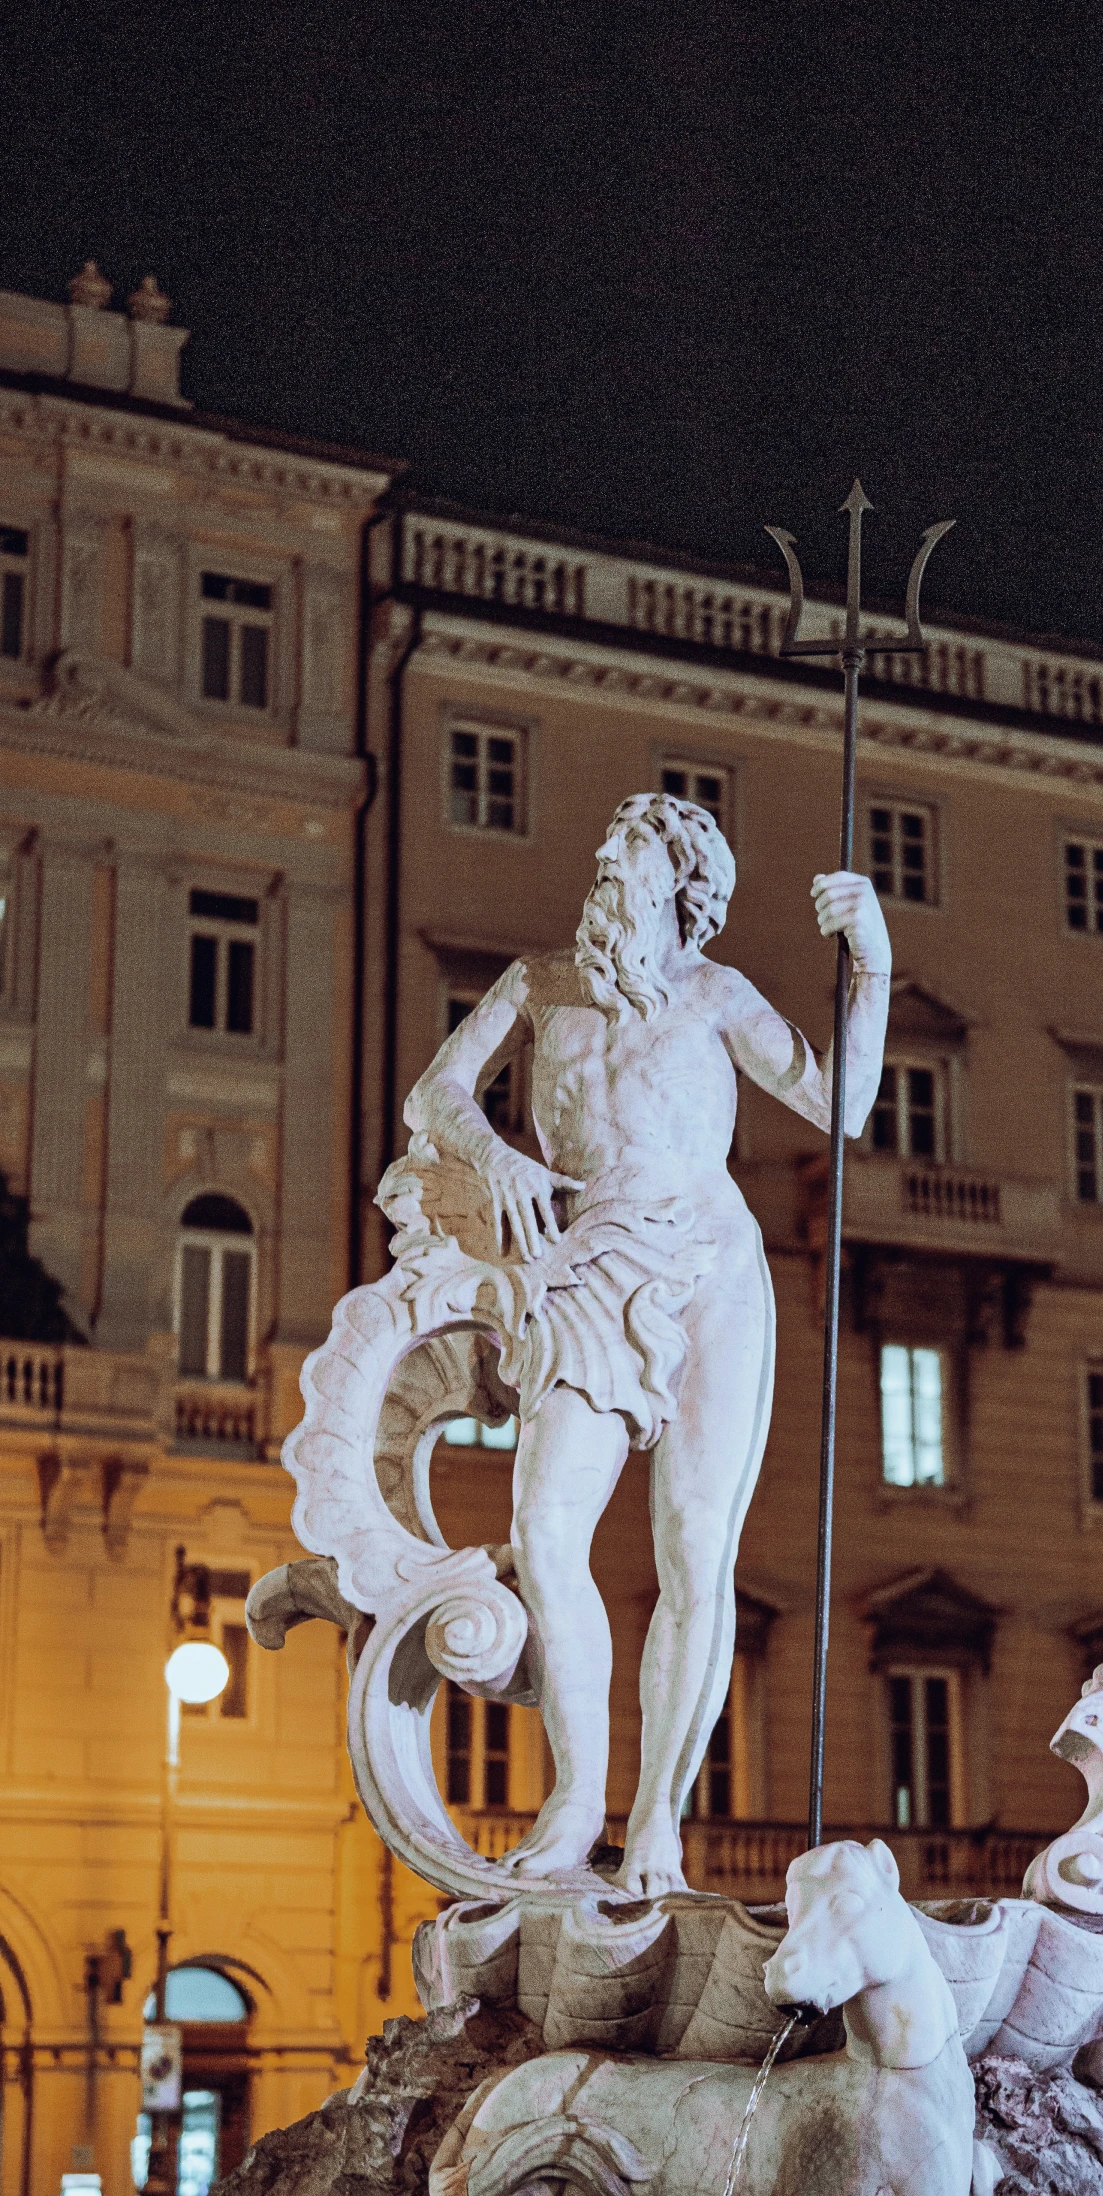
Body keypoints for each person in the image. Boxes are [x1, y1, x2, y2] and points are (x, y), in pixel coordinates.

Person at [400, 790, 891, 1897]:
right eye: (602, 854)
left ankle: (659, 1818)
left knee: (692, 1547)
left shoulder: (716, 995)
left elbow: (842, 1105)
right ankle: (576, 1800)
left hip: (711, 1264)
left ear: (679, 883)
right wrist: (498, 1159)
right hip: (585, 1261)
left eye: (623, 857)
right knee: (541, 1523)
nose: (602, 872)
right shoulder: (540, 985)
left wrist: (870, 961)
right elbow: (436, 1095)